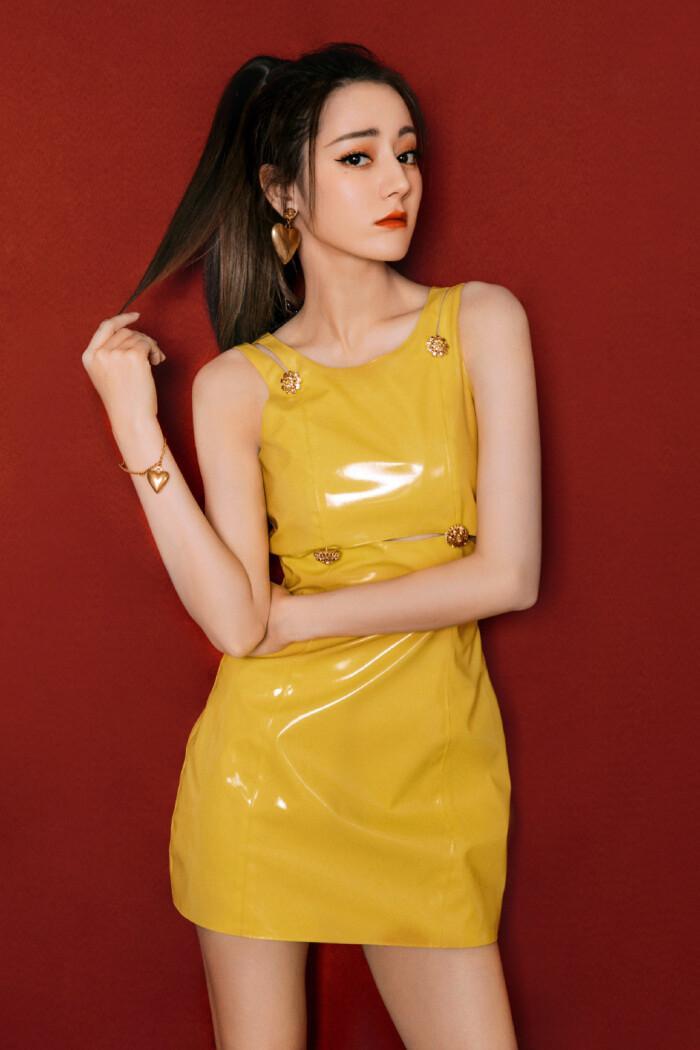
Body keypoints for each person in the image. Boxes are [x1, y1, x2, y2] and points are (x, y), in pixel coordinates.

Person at [82, 41, 540, 1050]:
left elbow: (509, 574)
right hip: (267, 774)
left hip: (427, 777)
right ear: (282, 191)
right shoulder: (235, 386)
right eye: (358, 157)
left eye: (406, 154)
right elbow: (233, 623)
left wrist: (294, 620)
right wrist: (134, 425)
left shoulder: (480, 322)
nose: (397, 182)